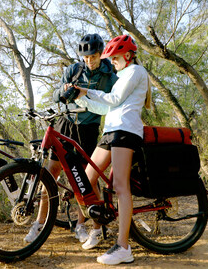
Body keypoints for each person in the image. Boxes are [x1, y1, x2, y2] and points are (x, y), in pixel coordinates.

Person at [24, 33, 118, 243]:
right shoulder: (74, 70)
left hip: (88, 129)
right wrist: (64, 90)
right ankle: (38, 224)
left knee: (85, 179)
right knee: (51, 174)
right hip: (65, 124)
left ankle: (82, 226)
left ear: (100, 53)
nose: (89, 60)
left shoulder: (110, 75)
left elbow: (115, 101)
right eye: (85, 57)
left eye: (92, 56)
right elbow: (56, 95)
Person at [74, 34, 151, 265]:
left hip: (126, 132)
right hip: (111, 131)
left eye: (114, 57)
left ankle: (123, 247)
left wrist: (88, 92)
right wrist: (80, 97)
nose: (112, 61)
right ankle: (97, 226)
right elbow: (104, 106)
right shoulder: (122, 75)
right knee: (87, 178)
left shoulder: (136, 72)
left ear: (127, 55)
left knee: (120, 186)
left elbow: (114, 99)